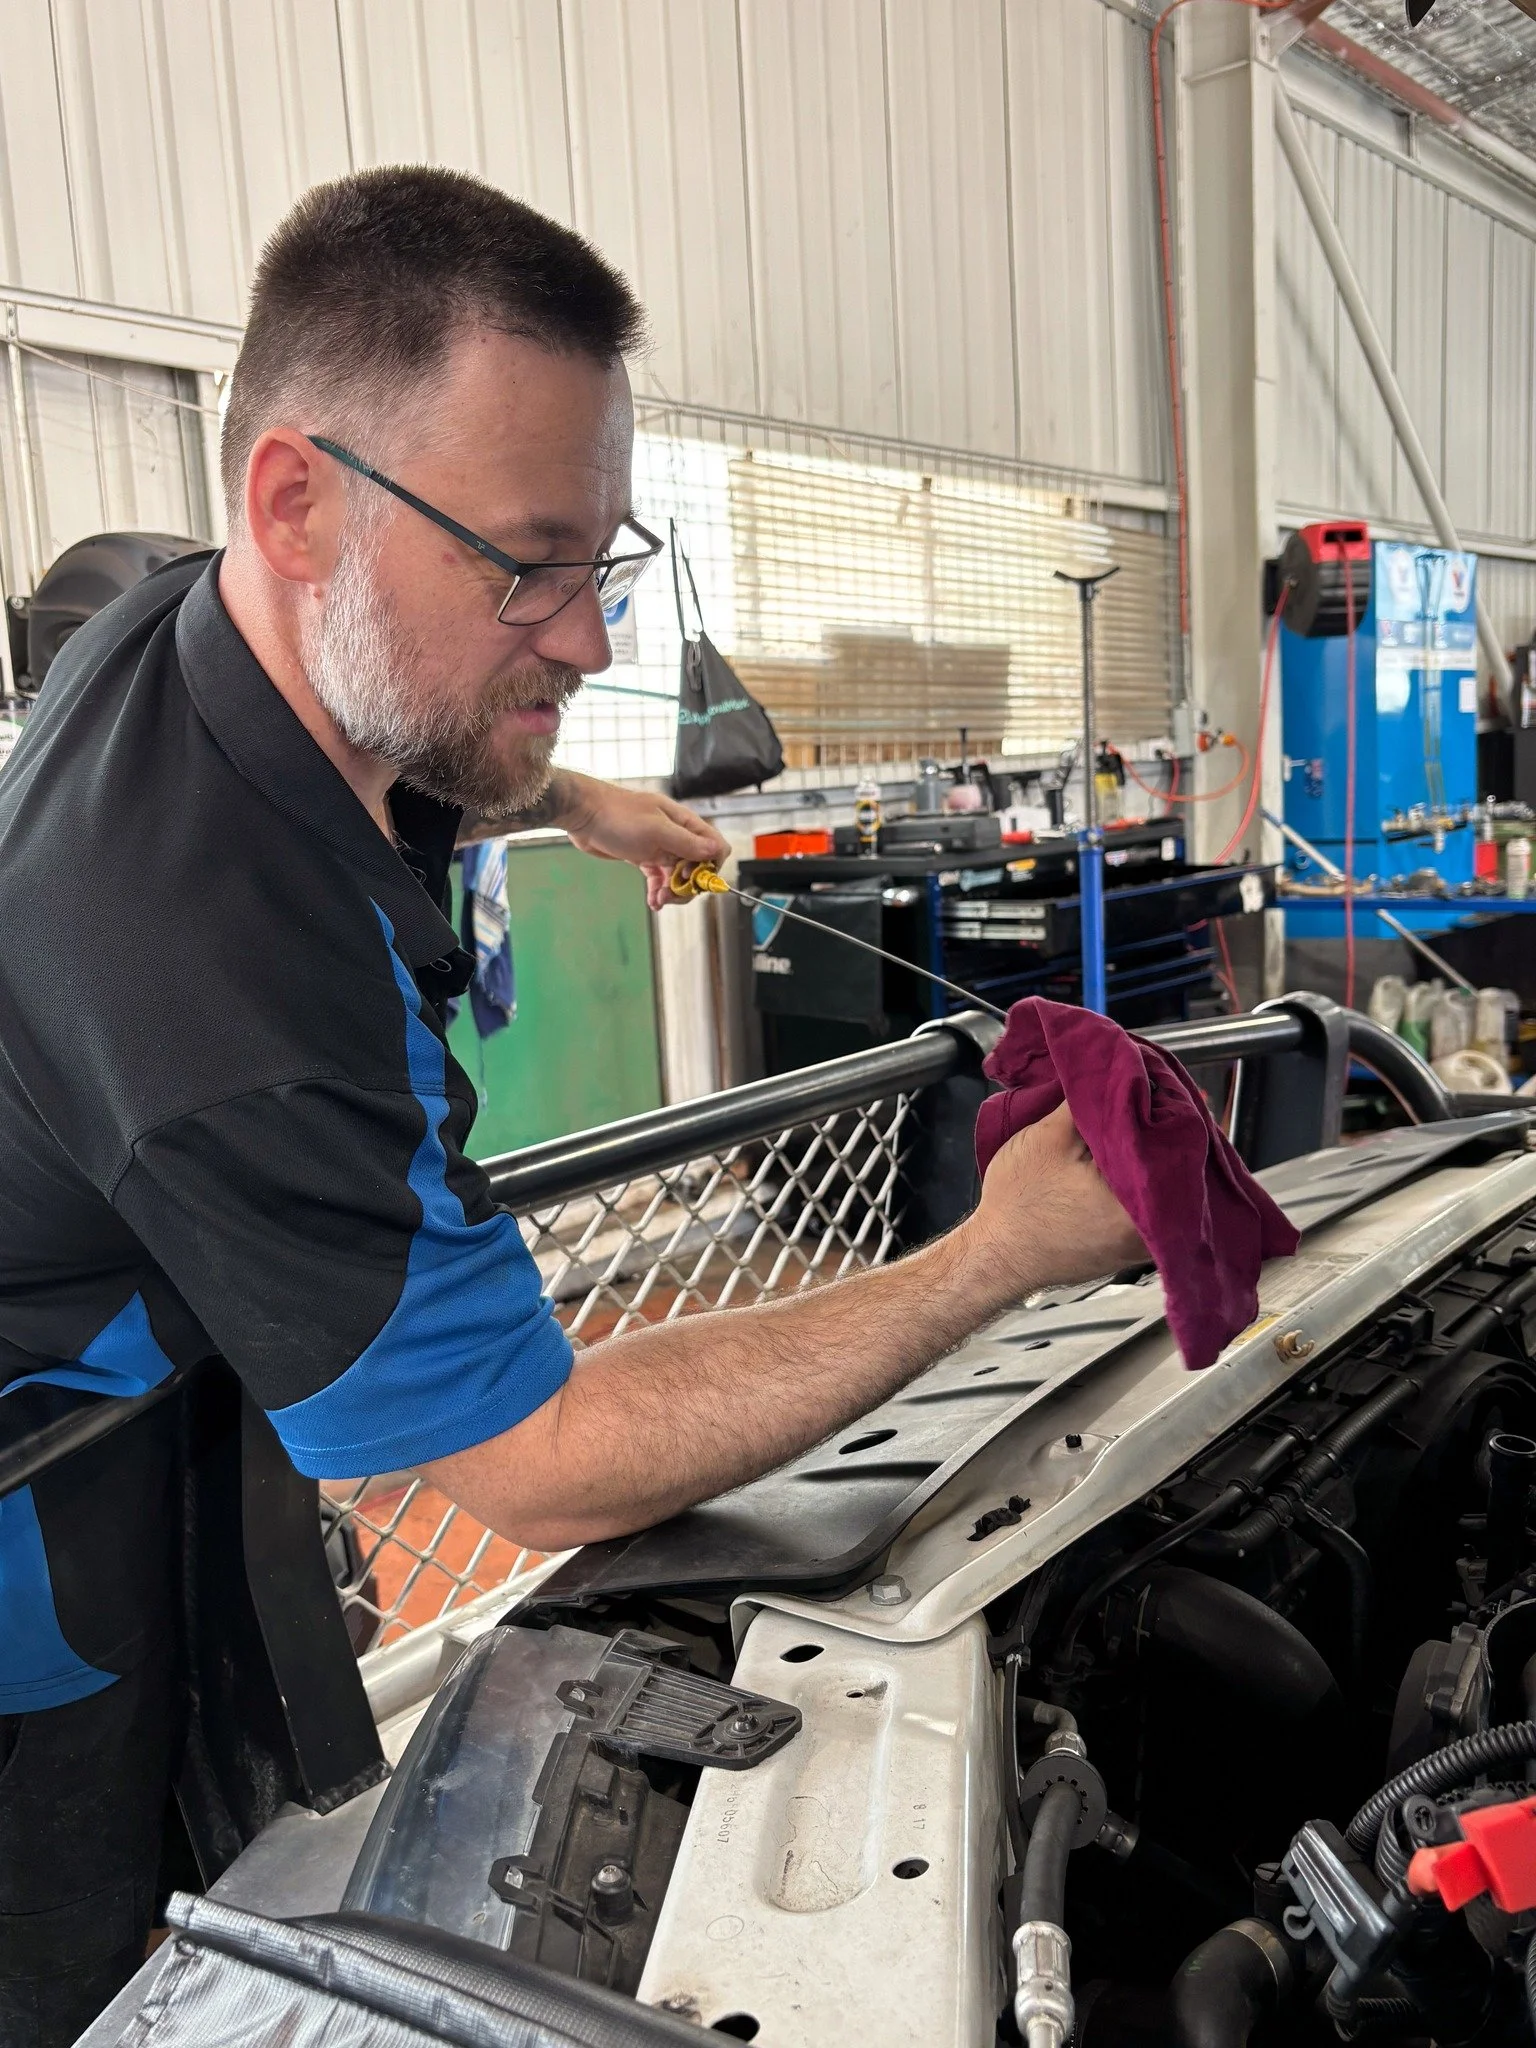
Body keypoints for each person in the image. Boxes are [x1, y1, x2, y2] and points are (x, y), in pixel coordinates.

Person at [0, 166, 1143, 2045]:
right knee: (79, 1929)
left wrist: (567, 796)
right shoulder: (212, 972)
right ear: (297, 499)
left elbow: (383, 699)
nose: (591, 639)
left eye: (602, 566)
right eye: (527, 566)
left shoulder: (192, 618)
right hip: (33, 1512)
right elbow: (540, 1454)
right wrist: (994, 1257)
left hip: (152, 1384)